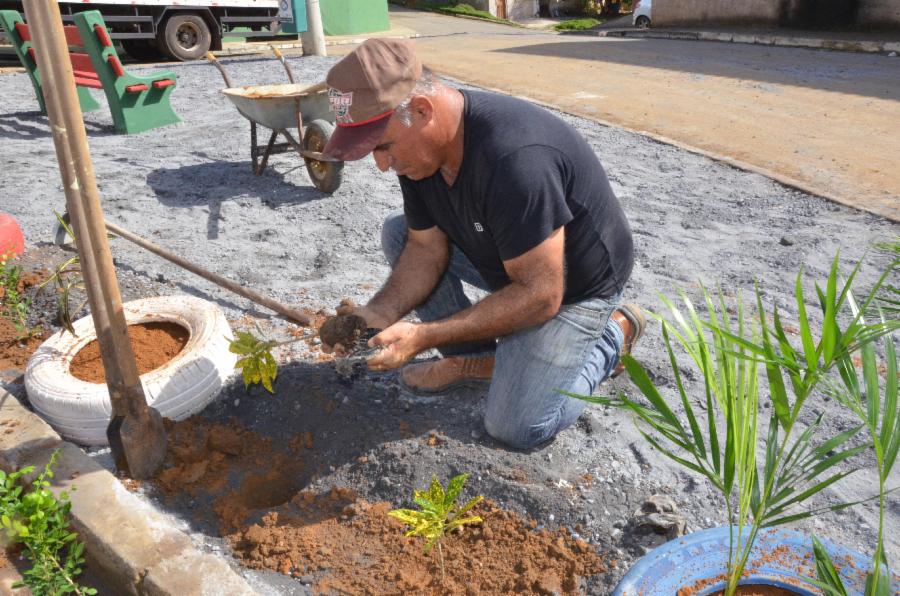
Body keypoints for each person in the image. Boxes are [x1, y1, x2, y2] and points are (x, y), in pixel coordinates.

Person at [321, 38, 644, 450]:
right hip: (509, 257)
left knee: (518, 427)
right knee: (399, 234)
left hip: (573, 286)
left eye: (381, 147)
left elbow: (542, 294)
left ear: (421, 111)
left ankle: (613, 335)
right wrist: (376, 315)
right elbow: (424, 248)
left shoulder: (516, 160)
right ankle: (482, 357)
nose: (382, 165)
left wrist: (424, 336)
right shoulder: (420, 152)